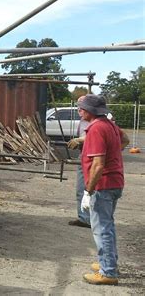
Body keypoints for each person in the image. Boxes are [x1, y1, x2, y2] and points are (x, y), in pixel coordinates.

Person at [78, 94, 129, 285]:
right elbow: (125, 139)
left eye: (81, 108)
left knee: (101, 229)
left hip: (103, 184)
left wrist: (87, 191)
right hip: (115, 181)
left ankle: (108, 272)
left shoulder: (97, 129)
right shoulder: (109, 125)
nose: (79, 111)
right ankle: (108, 263)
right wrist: (113, 154)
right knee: (108, 226)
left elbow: (98, 165)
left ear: (90, 110)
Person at [67, 95, 91, 228]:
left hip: (93, 158)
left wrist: (80, 140)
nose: (79, 109)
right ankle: (83, 218)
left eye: (81, 107)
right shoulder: (83, 120)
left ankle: (92, 219)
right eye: (78, 106)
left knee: (91, 189)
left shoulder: (97, 121)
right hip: (84, 156)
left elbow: (94, 135)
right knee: (81, 189)